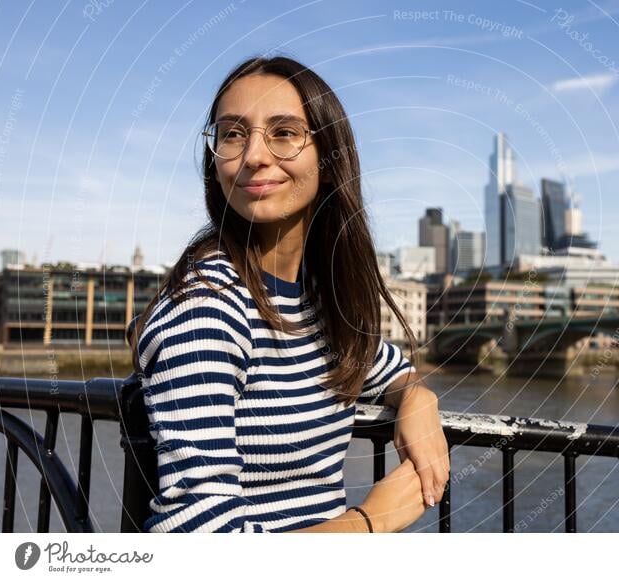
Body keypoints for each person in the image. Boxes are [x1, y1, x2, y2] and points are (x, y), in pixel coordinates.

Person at [125, 55, 449, 533]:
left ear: (329, 156)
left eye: (284, 132)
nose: (254, 154)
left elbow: (389, 369)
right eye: (233, 133)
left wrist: (419, 400)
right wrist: (371, 521)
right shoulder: (207, 311)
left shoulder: (314, 307)